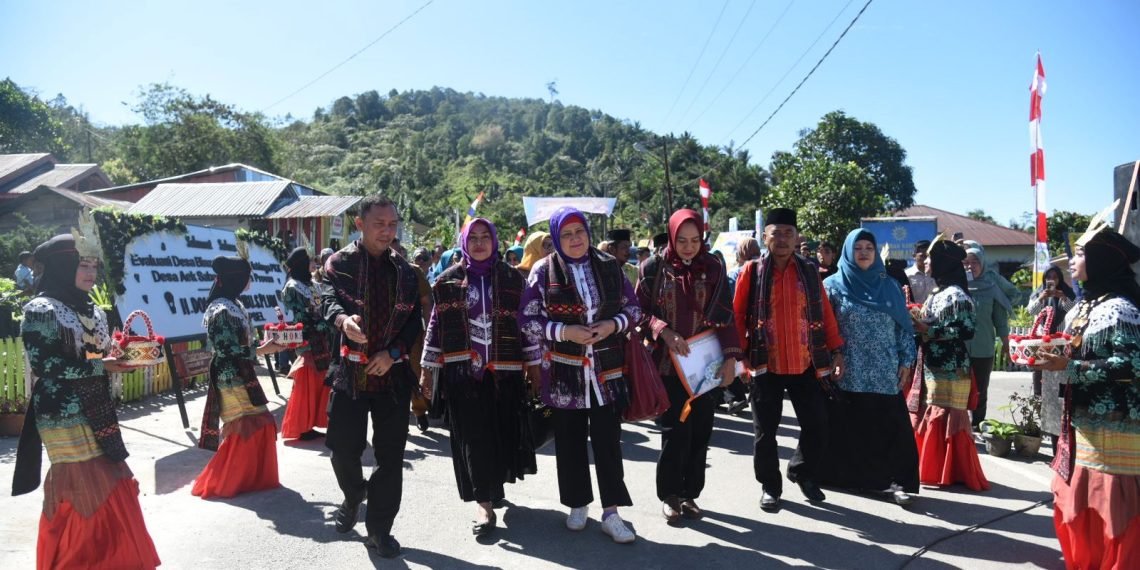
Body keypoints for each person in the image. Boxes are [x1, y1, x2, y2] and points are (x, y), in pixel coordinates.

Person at [12, 234, 161, 570]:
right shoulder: (41, 309)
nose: (90, 272)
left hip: (96, 402)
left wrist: (114, 360)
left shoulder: (91, 308)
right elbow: (44, 365)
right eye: (82, 265)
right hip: (61, 411)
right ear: (62, 267)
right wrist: (99, 364)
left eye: (94, 266)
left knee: (108, 474)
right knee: (82, 483)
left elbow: (93, 354)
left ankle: (111, 558)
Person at [519, 206, 642, 544]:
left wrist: (611, 325)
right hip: (563, 373)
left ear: (589, 233)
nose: (575, 239)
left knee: (608, 443)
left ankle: (612, 512)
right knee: (570, 441)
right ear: (557, 238)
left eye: (580, 232)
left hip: (606, 372)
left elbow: (633, 310)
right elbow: (527, 320)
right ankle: (577, 504)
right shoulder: (543, 272)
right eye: (567, 234)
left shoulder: (609, 268)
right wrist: (564, 332)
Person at [319, 195, 424, 558]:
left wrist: (392, 354)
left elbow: (414, 322)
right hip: (350, 374)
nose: (387, 231)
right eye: (379, 224)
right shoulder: (340, 264)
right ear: (360, 224)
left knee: (390, 457)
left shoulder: (405, 271)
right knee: (343, 451)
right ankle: (353, 495)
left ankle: (379, 529)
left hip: (391, 378)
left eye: (392, 224)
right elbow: (327, 300)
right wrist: (343, 321)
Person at [1031, 227, 1140, 570]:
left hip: (1116, 426)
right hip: (1081, 422)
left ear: (1101, 260)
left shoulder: (1121, 309)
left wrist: (1071, 367)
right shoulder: (1085, 304)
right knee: (1080, 504)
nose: (1073, 261)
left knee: (1112, 510)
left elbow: (1131, 365)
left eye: (1080, 253)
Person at [420, 218, 537, 537]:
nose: (481, 243)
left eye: (487, 237)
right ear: (464, 243)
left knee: (500, 431)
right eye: (474, 238)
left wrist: (537, 363)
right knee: (472, 437)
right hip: (462, 374)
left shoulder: (513, 280)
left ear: (495, 241)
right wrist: (427, 369)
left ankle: (493, 486)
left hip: (506, 372)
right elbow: (435, 326)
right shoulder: (446, 282)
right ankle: (483, 504)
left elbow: (527, 323)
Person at [733, 208, 845, 512]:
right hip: (763, 363)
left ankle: (802, 472)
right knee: (765, 432)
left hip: (805, 363)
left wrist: (836, 350)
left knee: (818, 423)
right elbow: (739, 316)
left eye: (788, 233)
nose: (782, 239)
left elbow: (824, 312)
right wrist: (740, 358)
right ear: (764, 236)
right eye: (776, 233)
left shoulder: (809, 271)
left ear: (796, 238)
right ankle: (770, 486)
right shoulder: (752, 271)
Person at [637, 209, 740, 522]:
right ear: (671, 237)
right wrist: (663, 331)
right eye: (681, 240)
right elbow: (636, 313)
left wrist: (732, 359)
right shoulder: (654, 268)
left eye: (695, 240)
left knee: (700, 433)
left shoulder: (713, 267)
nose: (688, 246)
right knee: (675, 432)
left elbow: (726, 315)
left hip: (705, 368)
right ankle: (669, 494)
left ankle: (690, 495)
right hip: (669, 367)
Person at [819, 229, 919, 506]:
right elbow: (825, 329)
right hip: (849, 368)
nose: (863, 252)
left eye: (869, 248)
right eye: (858, 248)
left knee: (889, 427)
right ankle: (849, 478)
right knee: (849, 425)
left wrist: (906, 361)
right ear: (848, 251)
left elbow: (903, 328)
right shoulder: (832, 286)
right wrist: (829, 359)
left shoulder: (890, 286)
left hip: (884, 368)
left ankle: (896, 482)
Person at [193, 255, 286, 499]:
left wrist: (262, 345)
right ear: (236, 279)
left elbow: (241, 343)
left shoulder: (234, 304)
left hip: (241, 371)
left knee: (258, 421)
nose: (249, 283)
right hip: (229, 376)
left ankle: (246, 479)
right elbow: (225, 350)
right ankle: (226, 482)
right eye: (247, 278)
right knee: (245, 425)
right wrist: (262, 350)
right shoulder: (221, 309)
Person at [909, 238, 989, 491]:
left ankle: (951, 471)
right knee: (934, 411)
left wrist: (928, 330)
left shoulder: (956, 295)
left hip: (952, 367)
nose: (927, 261)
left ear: (943, 262)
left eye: (931, 258)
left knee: (945, 413)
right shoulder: (938, 292)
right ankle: (937, 468)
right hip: (934, 364)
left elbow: (967, 330)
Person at [280, 247, 334, 440]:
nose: (312, 264)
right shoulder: (292, 286)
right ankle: (301, 426)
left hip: (321, 337)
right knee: (307, 382)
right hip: (307, 338)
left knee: (319, 381)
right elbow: (300, 315)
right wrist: (322, 324)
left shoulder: (311, 283)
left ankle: (311, 422)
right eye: (308, 261)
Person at [962, 242, 1011, 430]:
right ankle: (961, 424)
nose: (970, 266)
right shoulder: (957, 288)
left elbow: (1000, 320)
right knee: (960, 388)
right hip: (961, 348)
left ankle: (977, 423)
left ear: (982, 264)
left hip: (984, 348)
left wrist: (1006, 345)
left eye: (974, 262)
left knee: (981, 390)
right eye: (966, 262)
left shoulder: (991, 288)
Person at [1028, 265, 1077, 445]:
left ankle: (1058, 425)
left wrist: (1062, 298)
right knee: (1039, 381)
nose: (1052, 281)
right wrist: (1042, 298)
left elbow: (1074, 312)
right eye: (1049, 277)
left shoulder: (1067, 292)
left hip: (1059, 342)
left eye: (1055, 277)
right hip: (1042, 342)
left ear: (1060, 279)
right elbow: (1030, 311)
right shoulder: (1038, 293)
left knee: (1057, 384)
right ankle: (1043, 424)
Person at [906, 240, 936, 304]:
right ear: (914, 256)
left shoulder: (937, 274)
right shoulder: (907, 275)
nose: (926, 259)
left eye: (928, 256)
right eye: (922, 256)